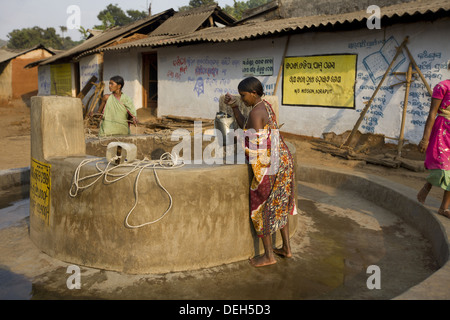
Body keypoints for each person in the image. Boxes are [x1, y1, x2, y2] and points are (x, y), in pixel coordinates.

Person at [224, 77, 298, 267]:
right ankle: (287, 250)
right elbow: (247, 124)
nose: (242, 99)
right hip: (283, 160)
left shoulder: (256, 113)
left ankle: (268, 256)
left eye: (243, 96)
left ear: (253, 93)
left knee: (262, 208)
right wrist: (234, 107)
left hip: (269, 167)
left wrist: (236, 138)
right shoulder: (264, 106)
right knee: (280, 205)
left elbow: (255, 145)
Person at [417, 73, 450, 219]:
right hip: (442, 130)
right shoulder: (442, 86)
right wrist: (425, 139)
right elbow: (432, 113)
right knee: (442, 169)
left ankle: (443, 208)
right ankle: (427, 186)